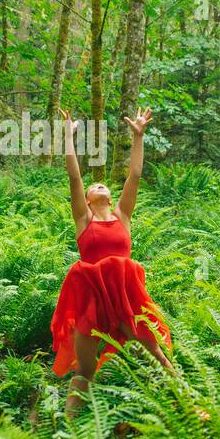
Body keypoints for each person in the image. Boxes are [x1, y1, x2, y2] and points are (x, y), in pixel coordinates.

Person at [50, 107, 173, 415]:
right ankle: (68, 427)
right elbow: (74, 175)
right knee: (86, 370)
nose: (100, 185)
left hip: (125, 297)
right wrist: (68, 136)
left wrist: (138, 136)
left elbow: (134, 175)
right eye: (95, 187)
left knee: (154, 354)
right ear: (89, 198)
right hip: (91, 299)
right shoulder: (83, 219)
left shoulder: (123, 216)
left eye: (104, 185)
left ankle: (186, 404)